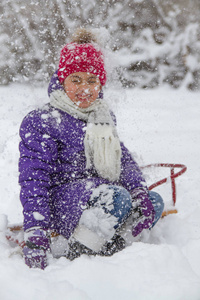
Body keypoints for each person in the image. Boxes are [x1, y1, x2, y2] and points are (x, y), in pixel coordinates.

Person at [19, 28, 164, 270]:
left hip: (99, 196)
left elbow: (122, 158)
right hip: (61, 204)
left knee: (153, 201)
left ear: (100, 83)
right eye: (76, 80)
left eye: (91, 80)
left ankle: (116, 249)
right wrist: (36, 228)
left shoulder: (102, 116)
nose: (84, 89)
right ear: (62, 80)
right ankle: (82, 256)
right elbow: (34, 179)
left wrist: (138, 190)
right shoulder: (43, 120)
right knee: (117, 198)